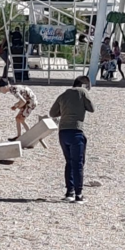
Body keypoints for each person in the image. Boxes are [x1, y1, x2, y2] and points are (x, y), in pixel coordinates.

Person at [49, 75, 95, 203]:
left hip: (63, 132)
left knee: (69, 162)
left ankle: (69, 192)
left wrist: (65, 111)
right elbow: (92, 108)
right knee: (78, 163)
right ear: (84, 85)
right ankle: (79, 195)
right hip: (76, 131)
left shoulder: (63, 95)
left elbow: (52, 113)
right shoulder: (83, 92)